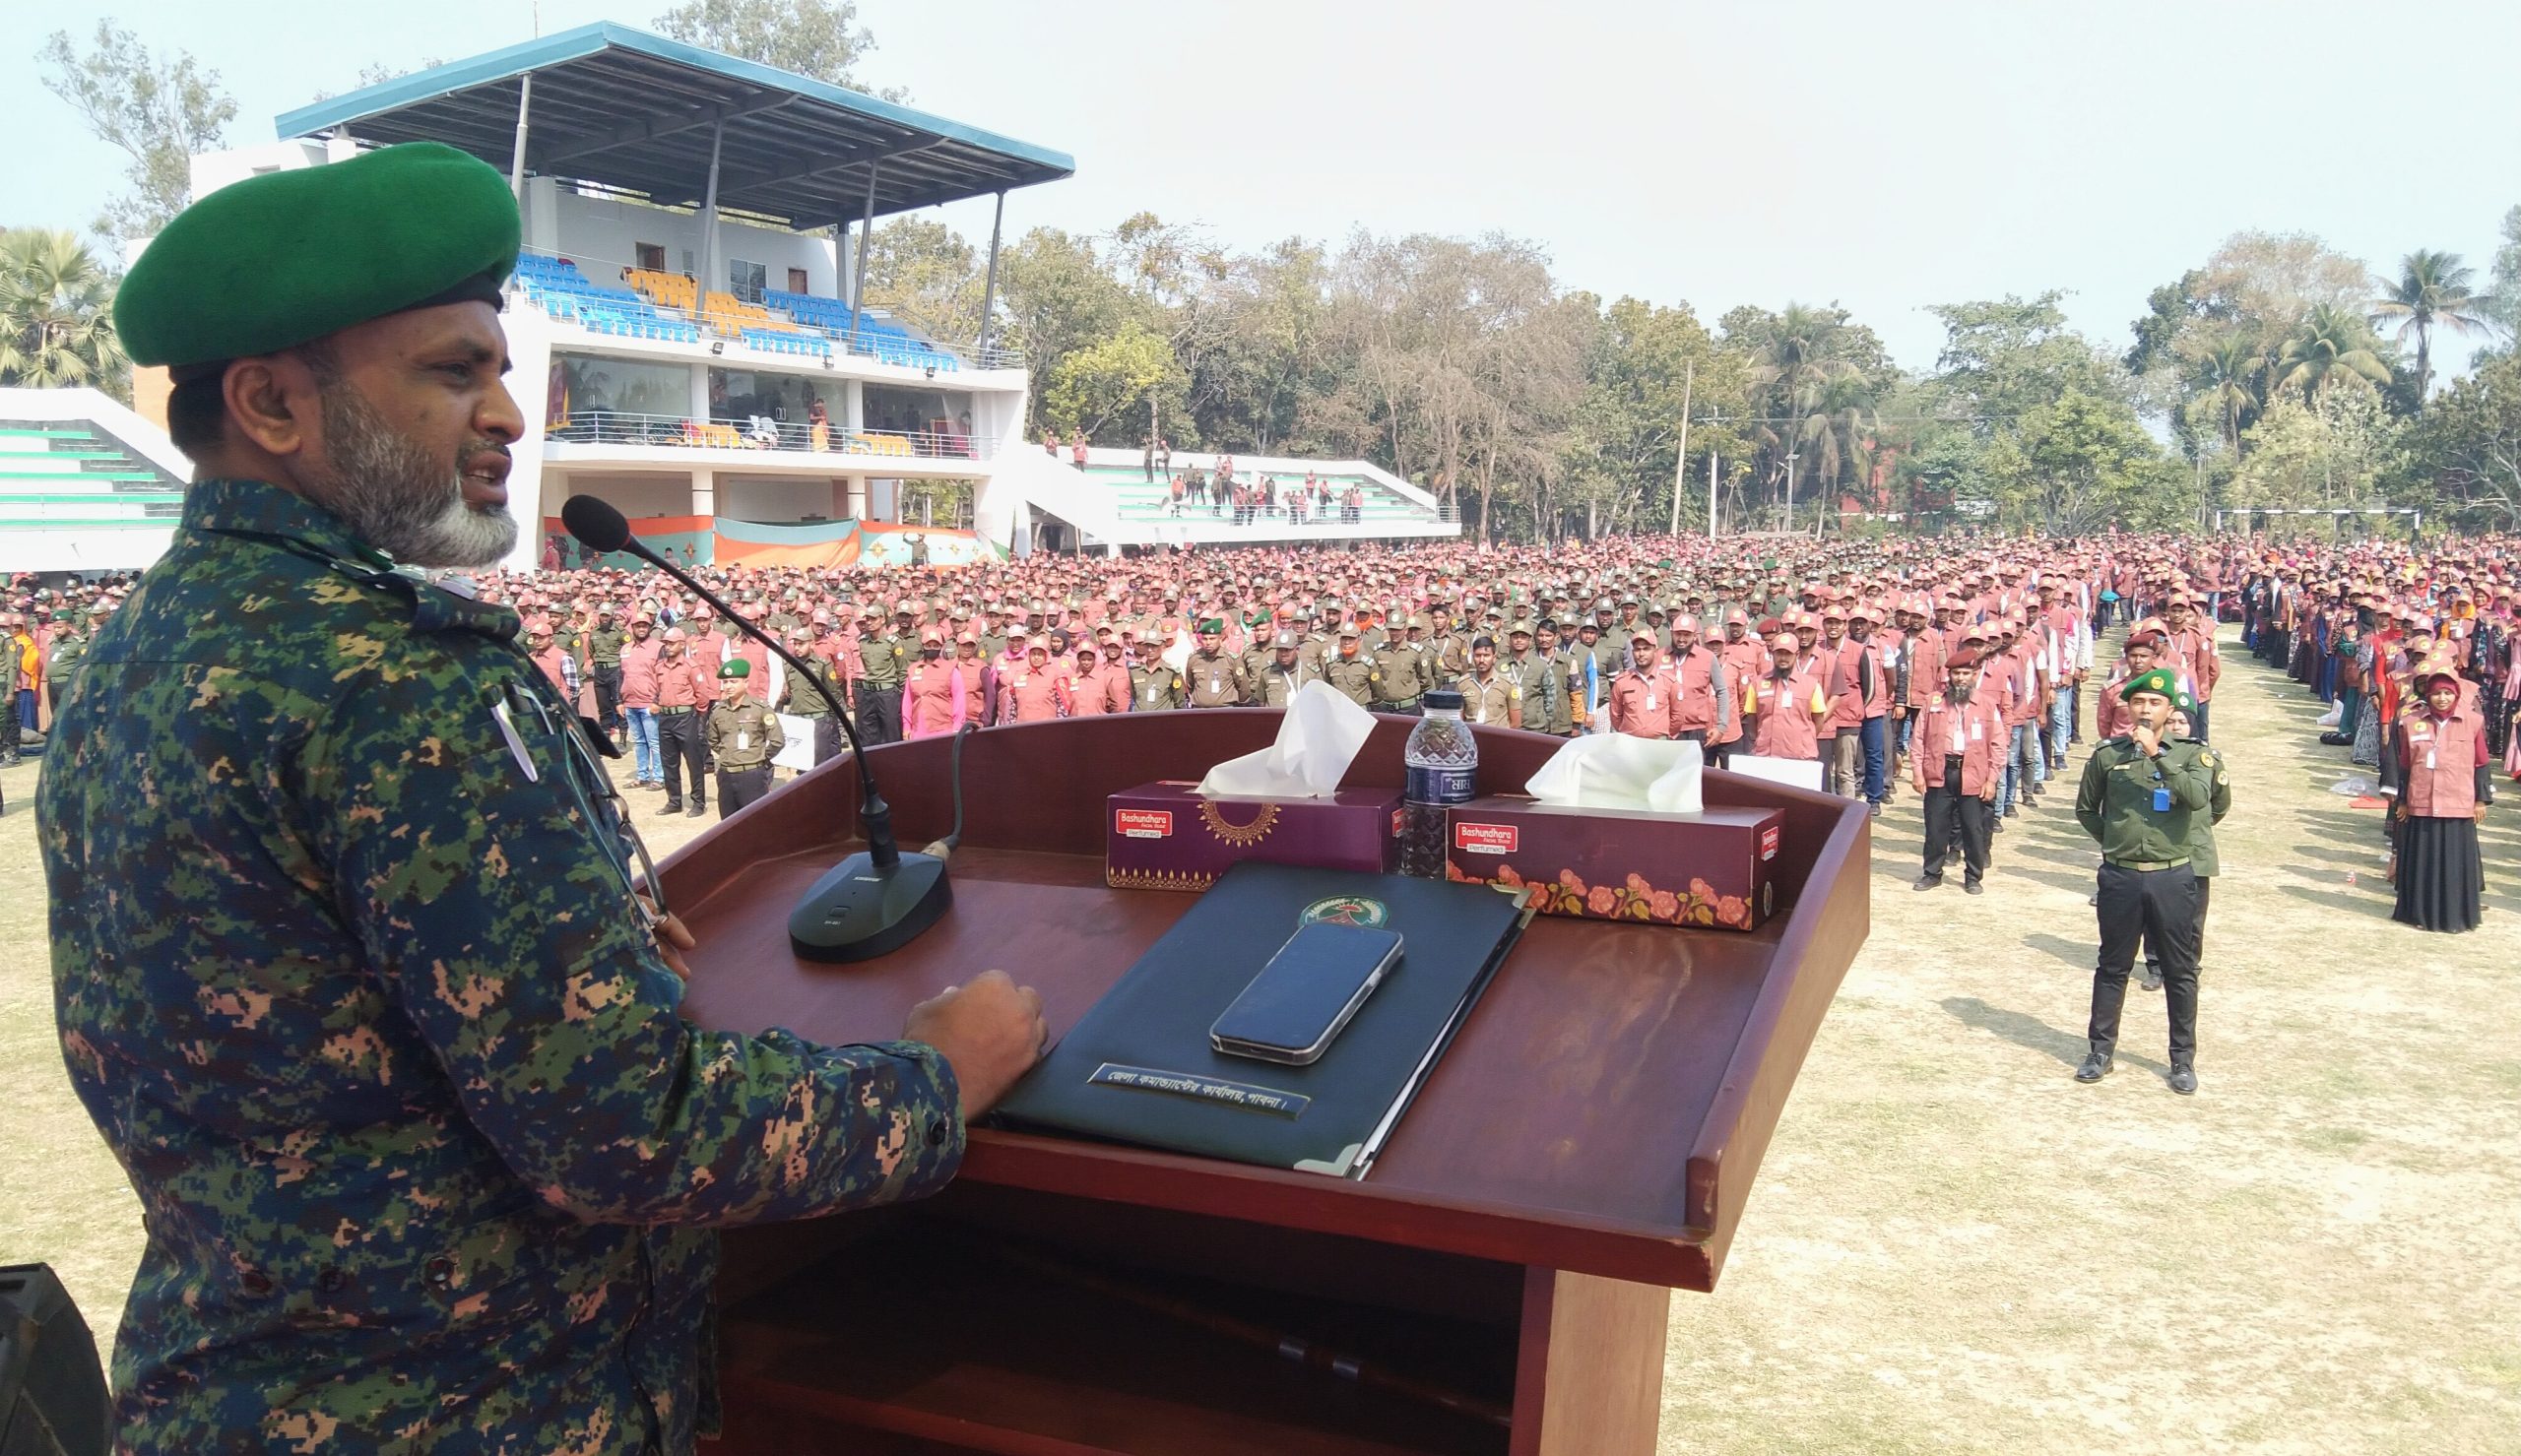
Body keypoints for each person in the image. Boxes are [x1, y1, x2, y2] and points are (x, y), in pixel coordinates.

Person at [43, 142, 1048, 1451]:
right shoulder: (394, 681)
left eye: (503, 368)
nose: (509, 413)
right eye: (453, 371)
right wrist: (933, 1073)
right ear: (270, 404)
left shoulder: (128, 655)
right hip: (478, 1403)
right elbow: (622, 1128)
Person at [2073, 667, 2219, 1094]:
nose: (2145, 708)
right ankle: (2100, 1052)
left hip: (2173, 875)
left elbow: (2198, 798)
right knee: (2112, 966)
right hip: (2120, 875)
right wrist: (2115, 842)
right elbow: (2086, 810)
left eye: (2154, 703)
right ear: (2128, 707)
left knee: (2180, 970)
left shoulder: (2192, 755)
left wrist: (2157, 754)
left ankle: (2182, 1060)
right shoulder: (2107, 755)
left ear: (2169, 709)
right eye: (2138, 702)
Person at [2392, 668, 2490, 932]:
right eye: (2436, 693)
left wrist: (2481, 800)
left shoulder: (2473, 722)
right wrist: (2402, 801)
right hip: (2421, 801)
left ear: (2457, 695)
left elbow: (2481, 763)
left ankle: (2456, 917)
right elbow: (2404, 765)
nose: (2442, 699)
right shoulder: (2412, 722)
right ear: (2428, 695)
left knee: (2455, 864)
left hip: (2458, 803)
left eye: (2448, 693)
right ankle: (2419, 914)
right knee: (2423, 862)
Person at [1911, 650, 2006, 894]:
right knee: (1935, 827)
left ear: (1975, 675)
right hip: (1939, 771)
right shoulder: (1933, 701)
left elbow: (1998, 744)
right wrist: (1918, 773)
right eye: (1956, 673)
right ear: (1949, 675)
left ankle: (1973, 876)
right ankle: (1932, 873)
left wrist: (1992, 779)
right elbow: (1918, 738)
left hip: (1973, 772)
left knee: (1973, 828)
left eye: (1966, 673)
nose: (1961, 678)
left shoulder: (1986, 705)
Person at [706, 658, 784, 817]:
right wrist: (729, 754)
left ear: (746, 683)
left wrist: (759, 758)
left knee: (756, 823)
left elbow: (777, 740)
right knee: (728, 826)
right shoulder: (718, 711)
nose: (728, 686)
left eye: (733, 681)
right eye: (725, 682)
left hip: (752, 776)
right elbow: (713, 740)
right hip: (726, 775)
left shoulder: (760, 708)